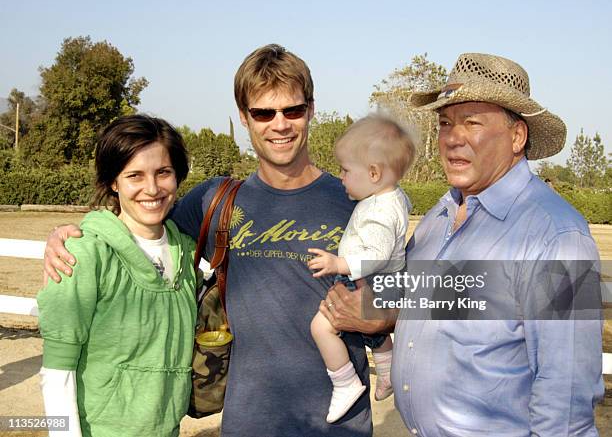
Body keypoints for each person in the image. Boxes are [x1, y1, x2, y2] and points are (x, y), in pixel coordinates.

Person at [43, 45, 389, 437]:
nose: (280, 124)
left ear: (310, 110)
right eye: (263, 113)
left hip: (338, 425)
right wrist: (70, 236)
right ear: (244, 117)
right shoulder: (215, 201)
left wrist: (385, 316)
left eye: (291, 110)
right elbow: (138, 219)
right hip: (248, 423)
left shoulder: (356, 198)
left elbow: (425, 286)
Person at [390, 53, 604, 436]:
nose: (453, 138)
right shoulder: (438, 218)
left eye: (471, 122)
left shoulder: (556, 237)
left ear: (517, 136)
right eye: (444, 123)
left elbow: (566, 397)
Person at [37, 115, 197, 437]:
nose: (151, 189)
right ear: (114, 182)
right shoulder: (83, 254)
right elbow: (57, 371)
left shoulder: (188, 253)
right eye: (134, 175)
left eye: (163, 172)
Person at [307, 114, 413, 423]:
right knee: (374, 333)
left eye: (345, 169)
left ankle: (345, 382)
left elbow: (377, 255)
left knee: (321, 327)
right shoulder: (389, 197)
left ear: (374, 172)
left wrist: (338, 263)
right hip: (385, 281)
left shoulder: (380, 210)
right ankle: (388, 372)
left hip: (374, 279)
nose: (340, 177)